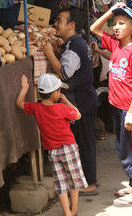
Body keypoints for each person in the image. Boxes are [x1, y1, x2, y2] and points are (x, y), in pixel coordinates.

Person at [90, 4, 132, 207]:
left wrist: (131, 112)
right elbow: (94, 29)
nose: (116, 27)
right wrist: (111, 11)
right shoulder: (115, 45)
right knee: (123, 149)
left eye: (122, 23)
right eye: (115, 24)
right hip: (117, 106)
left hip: (129, 109)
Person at [43, 8, 99, 196]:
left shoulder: (76, 46)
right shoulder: (75, 43)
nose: (56, 24)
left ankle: (90, 183)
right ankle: (85, 180)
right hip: (83, 98)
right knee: (82, 141)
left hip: (81, 100)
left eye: (60, 20)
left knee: (84, 142)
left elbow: (65, 73)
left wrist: (50, 53)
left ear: (71, 25)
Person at [16, 73, 87, 216]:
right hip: (69, 149)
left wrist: (24, 88)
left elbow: (19, 104)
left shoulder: (36, 108)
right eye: (59, 91)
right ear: (56, 93)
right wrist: (66, 101)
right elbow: (78, 115)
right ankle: (73, 210)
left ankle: (66, 212)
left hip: (53, 152)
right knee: (74, 181)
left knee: (61, 184)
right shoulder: (62, 108)